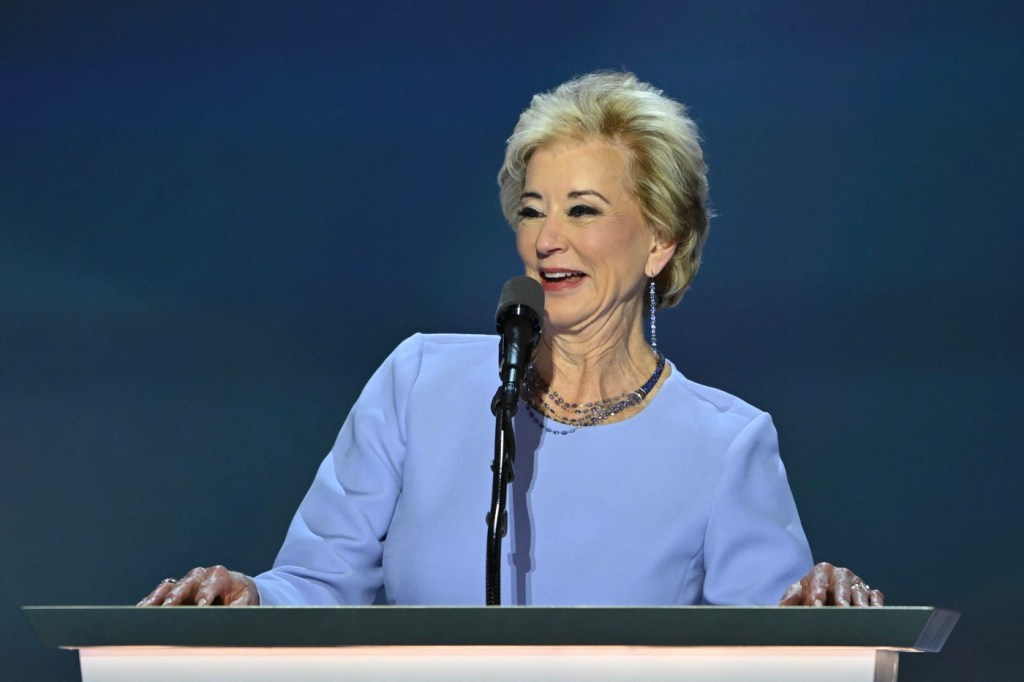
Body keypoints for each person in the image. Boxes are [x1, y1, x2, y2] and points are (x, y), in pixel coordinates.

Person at [139, 71, 883, 609]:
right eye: (532, 211)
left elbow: (780, 644)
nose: (548, 240)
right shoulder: (419, 383)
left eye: (583, 210)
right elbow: (317, 584)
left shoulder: (725, 445)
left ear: (660, 240)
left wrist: (825, 609)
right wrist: (249, 602)